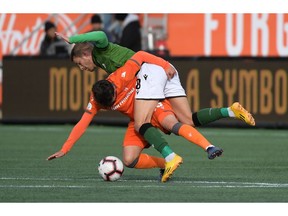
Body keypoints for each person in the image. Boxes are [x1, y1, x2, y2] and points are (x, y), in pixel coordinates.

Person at [47, 51, 254, 182]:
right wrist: (65, 148)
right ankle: (165, 164)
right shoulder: (96, 99)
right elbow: (82, 123)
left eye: (113, 99)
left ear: (113, 87)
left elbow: (141, 55)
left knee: (171, 123)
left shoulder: (122, 76)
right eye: (109, 104)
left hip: (154, 105)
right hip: (137, 119)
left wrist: (164, 65)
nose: (113, 103)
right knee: (129, 159)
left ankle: (181, 154)